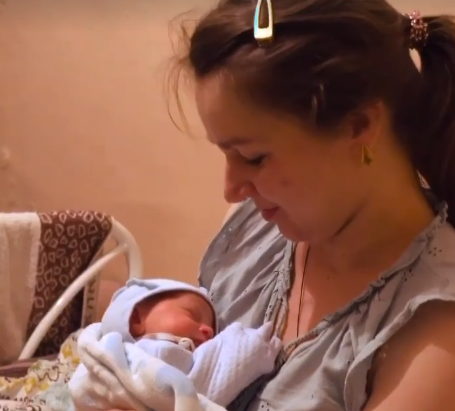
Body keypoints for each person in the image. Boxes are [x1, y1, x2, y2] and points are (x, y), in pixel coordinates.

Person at [161, 0, 455, 410]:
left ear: (358, 126)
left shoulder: (435, 334)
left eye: (254, 158)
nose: (231, 190)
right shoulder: (254, 231)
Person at [69, 279, 282, 410]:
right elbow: (206, 381)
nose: (208, 331)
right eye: (193, 315)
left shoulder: (176, 353)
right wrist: (250, 348)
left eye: (213, 331)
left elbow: (203, 380)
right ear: (135, 319)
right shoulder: (153, 349)